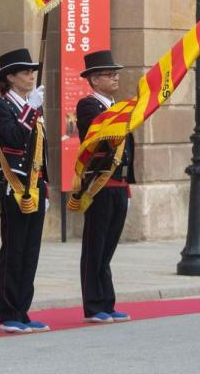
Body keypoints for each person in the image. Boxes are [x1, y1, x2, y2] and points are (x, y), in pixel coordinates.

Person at [0, 48, 50, 334]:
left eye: (32, 72)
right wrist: (31, 110)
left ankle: (23, 310)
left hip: (35, 186)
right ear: (10, 77)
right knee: (13, 250)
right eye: (25, 72)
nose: (30, 76)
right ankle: (9, 312)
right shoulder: (2, 105)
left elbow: (40, 150)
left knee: (31, 251)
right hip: (14, 186)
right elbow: (12, 138)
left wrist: (45, 186)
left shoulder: (32, 107)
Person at [74, 50, 133, 324]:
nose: (115, 78)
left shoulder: (117, 107)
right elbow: (102, 135)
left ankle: (107, 302)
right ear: (95, 80)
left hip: (118, 184)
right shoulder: (89, 106)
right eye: (110, 74)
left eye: (116, 74)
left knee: (108, 247)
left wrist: (128, 184)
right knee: (95, 246)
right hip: (99, 185)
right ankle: (93, 305)